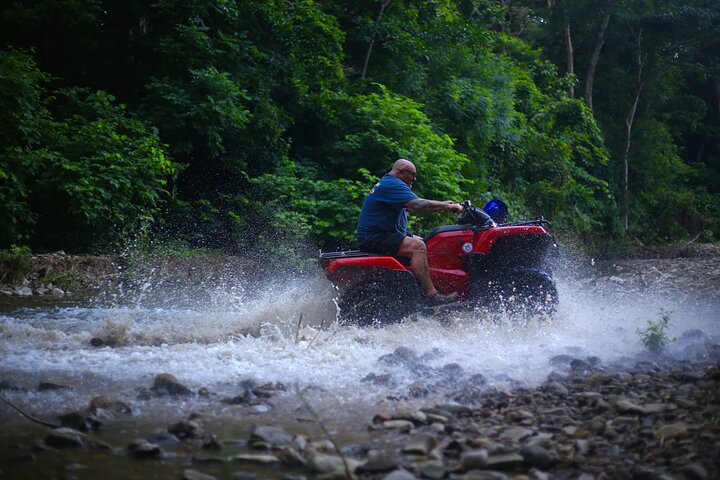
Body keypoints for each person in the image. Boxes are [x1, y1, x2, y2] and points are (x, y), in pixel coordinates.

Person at [357, 158, 464, 305]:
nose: (414, 179)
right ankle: (432, 296)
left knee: (426, 241)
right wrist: (447, 207)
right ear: (400, 172)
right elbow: (418, 205)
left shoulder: (388, 183)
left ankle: (421, 287)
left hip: (383, 234)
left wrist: (445, 203)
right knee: (418, 247)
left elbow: (413, 203)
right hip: (375, 238)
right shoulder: (393, 184)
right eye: (412, 175)